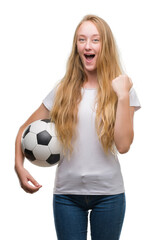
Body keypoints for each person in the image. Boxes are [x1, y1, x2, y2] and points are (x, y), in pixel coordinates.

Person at [15, 14, 141, 240]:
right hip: (67, 196)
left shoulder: (122, 88)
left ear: (106, 45)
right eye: (81, 39)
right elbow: (25, 129)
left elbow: (123, 145)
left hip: (109, 195)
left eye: (95, 39)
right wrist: (19, 167)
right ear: (76, 46)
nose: (88, 45)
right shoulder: (63, 89)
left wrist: (122, 96)